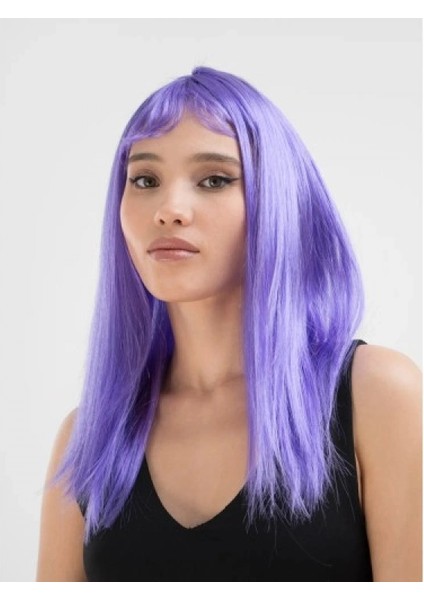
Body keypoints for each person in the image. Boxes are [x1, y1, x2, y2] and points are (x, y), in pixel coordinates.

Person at [36, 66, 422, 582]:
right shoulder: (88, 440)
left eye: (214, 179)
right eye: (145, 180)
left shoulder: (378, 396)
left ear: (277, 199)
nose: (169, 210)